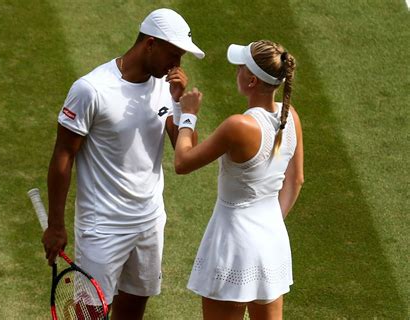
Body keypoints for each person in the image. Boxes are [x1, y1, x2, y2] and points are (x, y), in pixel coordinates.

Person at [42, 8, 204, 320]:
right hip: (101, 227)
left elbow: (185, 150)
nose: (178, 66)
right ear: (150, 44)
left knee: (132, 314)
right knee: (91, 315)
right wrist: (56, 224)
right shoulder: (90, 89)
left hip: (149, 222)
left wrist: (180, 102)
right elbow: (63, 155)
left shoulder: (166, 86)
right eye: (174, 55)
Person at [174, 40, 304, 320]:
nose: (237, 71)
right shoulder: (290, 116)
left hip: (233, 246)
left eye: (241, 68)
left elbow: (183, 163)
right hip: (272, 243)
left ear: (251, 80)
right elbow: (296, 181)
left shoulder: (239, 126)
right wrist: (268, 223)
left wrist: (187, 115)